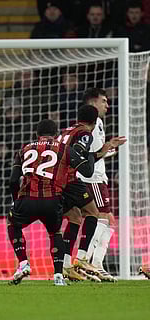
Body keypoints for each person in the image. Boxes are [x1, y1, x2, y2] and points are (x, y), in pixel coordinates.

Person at [7, 118, 95, 286]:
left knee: (12, 223)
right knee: (55, 233)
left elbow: (12, 180)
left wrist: (15, 202)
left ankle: (24, 263)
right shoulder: (65, 149)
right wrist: (89, 155)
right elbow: (87, 171)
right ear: (56, 135)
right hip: (52, 200)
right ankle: (58, 276)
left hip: (27, 200)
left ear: (36, 134)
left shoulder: (25, 149)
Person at [58, 104, 123, 281]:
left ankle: (65, 266)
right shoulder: (85, 133)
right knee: (93, 213)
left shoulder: (66, 131)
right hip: (72, 180)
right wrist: (85, 167)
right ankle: (82, 258)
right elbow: (80, 157)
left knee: (74, 218)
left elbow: (83, 155)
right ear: (94, 122)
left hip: (58, 181)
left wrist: (107, 146)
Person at [76, 88, 126, 282]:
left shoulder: (97, 124)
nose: (107, 105)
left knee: (107, 221)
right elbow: (93, 155)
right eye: (103, 101)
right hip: (93, 179)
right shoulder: (92, 124)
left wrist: (111, 148)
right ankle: (87, 263)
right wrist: (110, 146)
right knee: (101, 218)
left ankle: (94, 264)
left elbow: (97, 153)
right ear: (92, 103)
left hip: (98, 177)